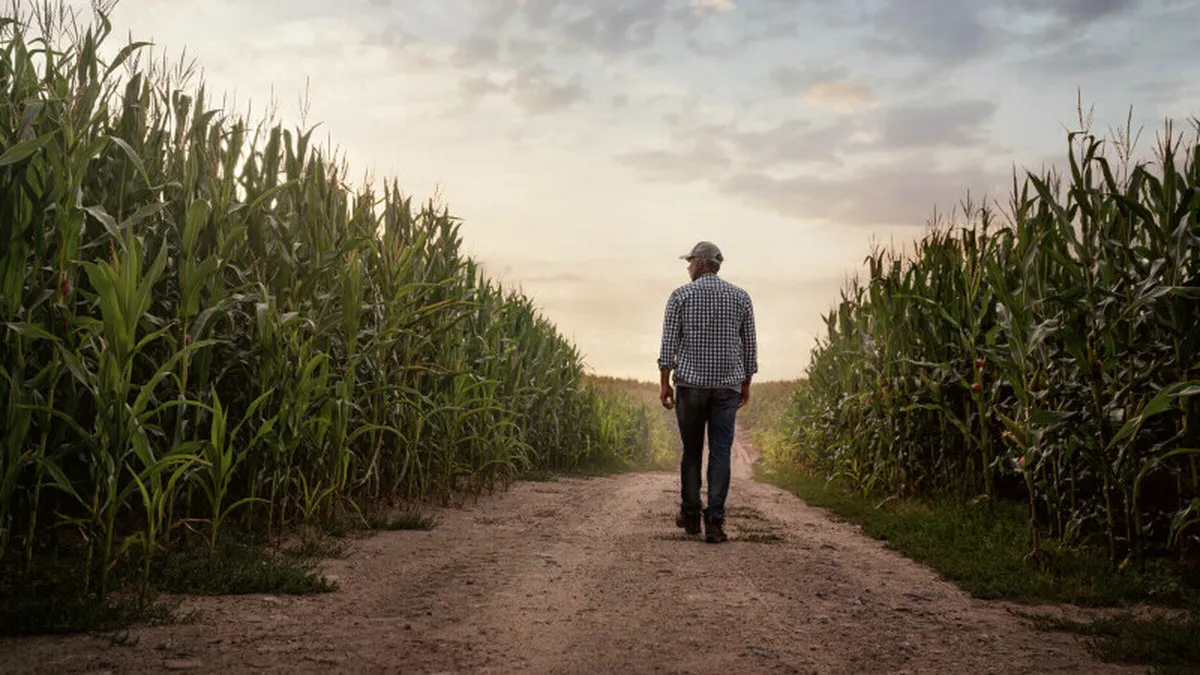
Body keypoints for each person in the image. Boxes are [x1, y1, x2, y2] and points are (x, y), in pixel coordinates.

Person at [657, 240, 757, 544]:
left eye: (690, 262)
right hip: (726, 386)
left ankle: (690, 514)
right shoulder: (741, 297)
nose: (688, 267)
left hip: (690, 386)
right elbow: (749, 346)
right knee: (721, 452)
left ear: (700, 264)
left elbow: (668, 344)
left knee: (691, 451)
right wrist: (746, 382)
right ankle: (714, 521)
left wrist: (664, 382)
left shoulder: (680, 296)